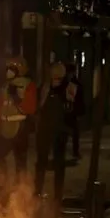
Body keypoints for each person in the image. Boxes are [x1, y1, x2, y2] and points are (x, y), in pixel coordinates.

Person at [34, 62, 78, 206]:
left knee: (59, 162)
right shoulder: (45, 87)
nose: (55, 77)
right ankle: (37, 190)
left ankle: (57, 194)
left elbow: (75, 108)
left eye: (57, 75)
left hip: (60, 129)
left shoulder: (68, 88)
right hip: (45, 128)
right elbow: (38, 105)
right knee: (41, 160)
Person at [0, 56, 37, 189]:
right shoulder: (5, 87)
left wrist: (17, 98)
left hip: (20, 128)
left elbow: (30, 108)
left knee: (20, 162)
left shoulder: (28, 85)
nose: (8, 72)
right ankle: (3, 185)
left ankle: (21, 191)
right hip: (6, 128)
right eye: (7, 69)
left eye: (11, 69)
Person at [65, 63, 86, 159]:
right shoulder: (67, 83)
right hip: (68, 111)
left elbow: (80, 99)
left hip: (71, 111)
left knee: (74, 132)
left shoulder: (74, 83)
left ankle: (75, 151)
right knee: (71, 131)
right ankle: (74, 151)